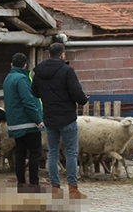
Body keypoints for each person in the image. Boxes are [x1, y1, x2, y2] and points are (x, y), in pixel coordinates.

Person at [31, 42, 89, 199]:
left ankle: (55, 188)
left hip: (49, 117)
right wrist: (84, 100)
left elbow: (35, 93)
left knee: (52, 152)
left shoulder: (39, 72)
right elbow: (76, 92)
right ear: (62, 54)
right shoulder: (67, 70)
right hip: (67, 117)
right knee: (70, 152)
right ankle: (73, 188)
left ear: (49, 54)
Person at [3, 53, 45, 192]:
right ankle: (34, 184)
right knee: (35, 152)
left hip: (15, 122)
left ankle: (21, 183)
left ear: (11, 64)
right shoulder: (22, 79)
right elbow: (28, 101)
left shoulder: (8, 78)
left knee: (20, 152)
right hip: (28, 123)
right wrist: (38, 119)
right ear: (25, 65)